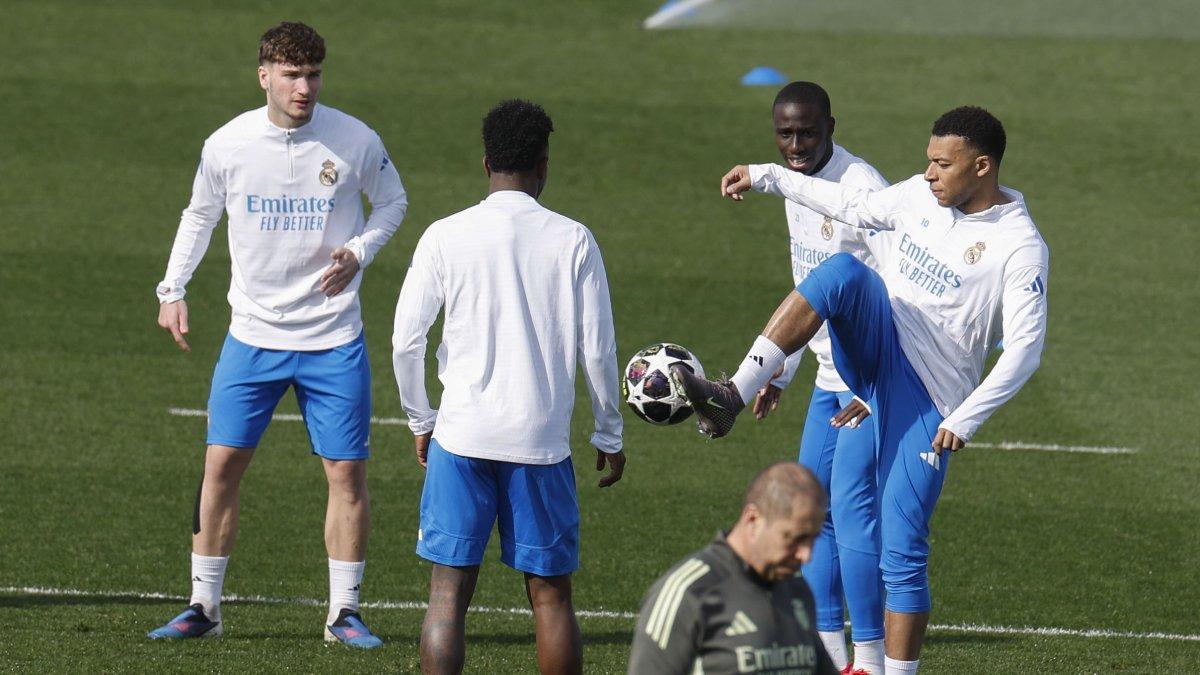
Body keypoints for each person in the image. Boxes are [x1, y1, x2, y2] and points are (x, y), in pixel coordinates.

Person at [672, 106, 1048, 673]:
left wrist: (963, 420)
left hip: (930, 397)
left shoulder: (1019, 247)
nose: (928, 174)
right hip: (878, 346)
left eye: (942, 165)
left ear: (982, 166)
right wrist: (766, 174)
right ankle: (732, 394)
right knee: (843, 273)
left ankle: (884, 668)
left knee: (901, 546)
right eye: (928, 161)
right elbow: (851, 205)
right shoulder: (923, 197)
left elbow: (1024, 348)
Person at [147, 22, 408, 648]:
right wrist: (172, 289)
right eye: (291, 75)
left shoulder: (355, 139)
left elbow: (393, 202)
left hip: (333, 337)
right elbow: (200, 214)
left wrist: (359, 251)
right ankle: (203, 608)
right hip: (253, 334)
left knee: (346, 476)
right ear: (263, 74)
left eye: (313, 74)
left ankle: (343, 613)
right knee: (222, 466)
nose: (304, 87)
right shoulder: (228, 144)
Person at [392, 99, 625, 675]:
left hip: (462, 436)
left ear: (485, 163)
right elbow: (597, 349)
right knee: (550, 597)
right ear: (543, 165)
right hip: (541, 444)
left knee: (448, 594)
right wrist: (609, 433)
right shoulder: (573, 239)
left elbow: (405, 342)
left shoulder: (444, 235)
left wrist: (422, 420)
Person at [750, 81, 889, 674]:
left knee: (855, 514)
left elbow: (898, 294)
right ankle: (831, 657)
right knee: (812, 513)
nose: (797, 144)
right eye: (786, 134)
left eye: (808, 131)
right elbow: (810, 289)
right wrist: (783, 368)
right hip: (828, 378)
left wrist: (875, 385)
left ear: (833, 124)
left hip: (870, 384)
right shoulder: (795, 185)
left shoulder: (862, 189)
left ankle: (872, 659)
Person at [628, 462, 838, 675]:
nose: (806, 554)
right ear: (753, 519)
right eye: (795, 538)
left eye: (812, 539)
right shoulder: (688, 593)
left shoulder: (797, 591)